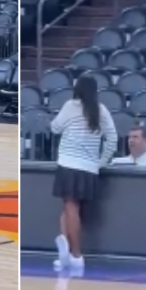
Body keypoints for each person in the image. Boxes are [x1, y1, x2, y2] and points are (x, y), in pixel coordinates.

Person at [50, 75, 117, 272]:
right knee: (68, 207)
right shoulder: (101, 110)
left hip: (68, 164)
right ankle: (65, 254)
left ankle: (77, 255)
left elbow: (55, 128)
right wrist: (101, 162)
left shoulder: (70, 106)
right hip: (88, 168)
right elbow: (112, 139)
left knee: (71, 207)